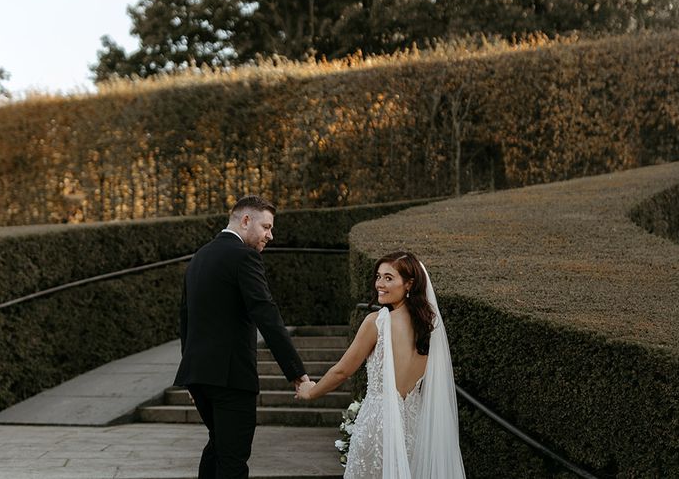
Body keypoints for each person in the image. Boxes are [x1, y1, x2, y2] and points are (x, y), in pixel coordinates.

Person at [296, 251, 466, 478]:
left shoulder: (377, 322)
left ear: (409, 284)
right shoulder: (430, 326)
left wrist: (311, 392)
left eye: (389, 278)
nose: (380, 284)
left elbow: (343, 370)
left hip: (378, 425)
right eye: (378, 277)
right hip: (416, 428)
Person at [174, 195, 310, 479]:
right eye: (266, 227)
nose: (270, 236)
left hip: (199, 376)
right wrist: (296, 372)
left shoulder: (199, 256)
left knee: (218, 448)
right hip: (231, 377)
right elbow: (266, 314)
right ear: (245, 220)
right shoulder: (244, 256)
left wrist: (190, 373)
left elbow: (186, 318)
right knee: (233, 460)